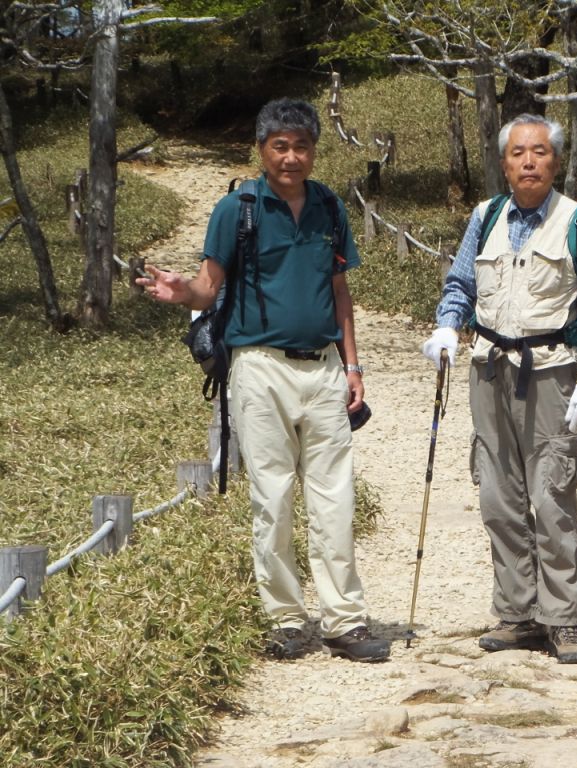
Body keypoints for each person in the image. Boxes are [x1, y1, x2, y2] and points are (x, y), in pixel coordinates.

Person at [137, 98, 390, 663]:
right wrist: (184, 293)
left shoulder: (329, 207)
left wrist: (353, 366)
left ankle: (345, 621)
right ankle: (286, 619)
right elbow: (208, 285)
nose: (292, 157)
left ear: (314, 150)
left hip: (324, 367)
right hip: (259, 369)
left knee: (335, 498)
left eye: (301, 146)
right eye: (281, 146)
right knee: (271, 498)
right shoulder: (237, 208)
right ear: (262, 150)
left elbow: (340, 292)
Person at [422, 114, 577, 665]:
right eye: (517, 153)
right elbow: (460, 281)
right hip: (488, 368)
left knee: (551, 492)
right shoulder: (485, 217)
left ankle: (563, 618)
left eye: (539, 152)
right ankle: (517, 612)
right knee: (497, 493)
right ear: (504, 162)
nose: (528, 162)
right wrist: (446, 324)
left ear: (556, 162)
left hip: (552, 371)